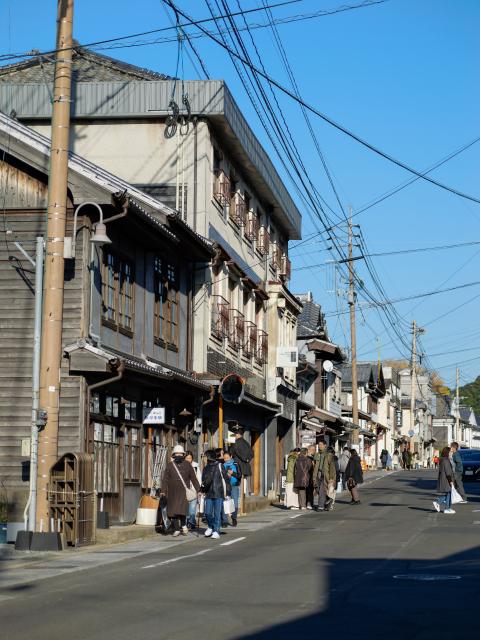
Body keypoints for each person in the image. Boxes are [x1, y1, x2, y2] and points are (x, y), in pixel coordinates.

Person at [162, 444, 200, 537]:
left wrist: (199, 489)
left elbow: (193, 478)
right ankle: (176, 529)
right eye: (176, 453)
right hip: (172, 492)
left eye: (180, 453)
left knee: (182, 511)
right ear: (174, 455)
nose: (178, 455)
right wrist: (163, 490)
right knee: (172, 512)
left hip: (183, 491)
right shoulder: (170, 465)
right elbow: (165, 479)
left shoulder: (188, 465)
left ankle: (183, 525)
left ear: (183, 455)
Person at [201, 449, 231, 539]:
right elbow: (203, 481)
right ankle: (210, 527)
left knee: (217, 513)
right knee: (207, 513)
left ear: (209, 457)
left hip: (218, 492)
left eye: (205, 456)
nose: (204, 458)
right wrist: (201, 490)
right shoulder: (205, 468)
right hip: (209, 493)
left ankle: (216, 531)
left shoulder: (220, 465)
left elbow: (226, 479)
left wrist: (228, 492)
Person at [312, 440, 337, 511]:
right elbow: (315, 466)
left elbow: (332, 467)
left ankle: (320, 506)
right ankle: (328, 499)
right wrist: (314, 476)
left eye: (321, 444)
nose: (319, 446)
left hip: (326, 475)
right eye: (319, 445)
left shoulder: (329, 455)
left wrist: (332, 478)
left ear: (325, 445)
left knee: (322, 490)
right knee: (318, 489)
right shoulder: (317, 454)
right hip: (318, 474)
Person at [231, 427, 254, 494]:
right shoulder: (246, 443)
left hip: (238, 463)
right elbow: (252, 453)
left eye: (235, 435)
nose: (235, 436)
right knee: (244, 479)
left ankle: (240, 495)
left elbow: (236, 452)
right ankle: (244, 493)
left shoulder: (237, 442)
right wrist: (247, 459)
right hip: (245, 464)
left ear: (238, 434)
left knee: (238, 479)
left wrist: (244, 458)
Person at [433, 447, 456, 514]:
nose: (451, 453)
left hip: (444, 479)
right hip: (446, 479)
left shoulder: (443, 459)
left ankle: (446, 507)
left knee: (448, 493)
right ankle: (444, 506)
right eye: (450, 452)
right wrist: (450, 481)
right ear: (447, 452)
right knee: (449, 493)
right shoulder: (446, 460)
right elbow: (448, 471)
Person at [223, 449, 242, 526]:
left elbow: (239, 475)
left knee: (235, 504)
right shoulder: (222, 465)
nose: (226, 459)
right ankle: (224, 521)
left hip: (234, 486)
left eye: (227, 457)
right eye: (224, 458)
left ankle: (234, 518)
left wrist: (232, 473)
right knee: (225, 503)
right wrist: (226, 476)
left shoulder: (236, 464)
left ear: (231, 456)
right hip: (225, 486)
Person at [185, 451, 202, 530]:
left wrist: (199, 490)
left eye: (190, 458)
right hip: (185, 490)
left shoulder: (195, 467)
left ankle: (191, 523)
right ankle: (189, 522)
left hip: (193, 490)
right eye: (187, 458)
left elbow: (199, 479)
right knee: (186, 509)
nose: (188, 460)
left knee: (192, 510)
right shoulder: (181, 466)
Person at [326, 446, 340, 511]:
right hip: (333, 477)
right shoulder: (335, 458)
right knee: (332, 491)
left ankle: (330, 504)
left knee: (329, 491)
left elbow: (337, 469)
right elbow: (337, 469)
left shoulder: (332, 458)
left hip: (330, 477)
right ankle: (331, 504)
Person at [306, 445, 317, 509]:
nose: (314, 451)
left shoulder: (313, 458)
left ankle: (311, 503)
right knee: (309, 491)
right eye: (312, 450)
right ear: (309, 450)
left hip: (311, 476)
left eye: (314, 449)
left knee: (311, 490)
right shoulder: (308, 458)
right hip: (308, 477)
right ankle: (309, 503)